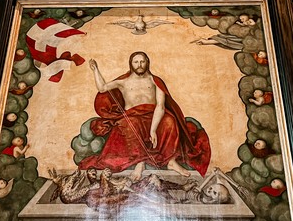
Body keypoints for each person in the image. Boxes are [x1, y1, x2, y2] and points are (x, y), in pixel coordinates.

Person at [77, 52, 210, 179]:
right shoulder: (124, 81)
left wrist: (153, 129)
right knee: (129, 124)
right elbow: (102, 88)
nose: (139, 64)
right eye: (136, 62)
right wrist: (95, 70)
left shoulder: (155, 81)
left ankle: (171, 161)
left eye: (142, 61)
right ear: (131, 64)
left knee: (169, 121)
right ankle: (140, 163)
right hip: (132, 115)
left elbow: (160, 106)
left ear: (147, 63)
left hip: (154, 114)